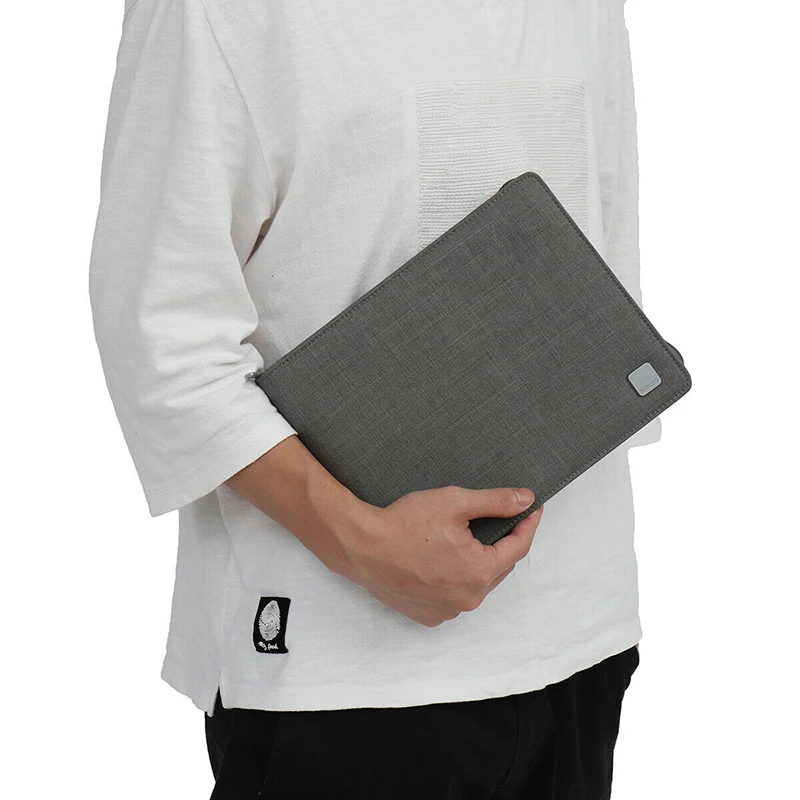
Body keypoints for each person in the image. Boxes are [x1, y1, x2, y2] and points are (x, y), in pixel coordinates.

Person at [89, 0, 657, 797]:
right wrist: (362, 542)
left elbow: (604, 264)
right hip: (339, 675)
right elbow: (164, 335)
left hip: (579, 640)